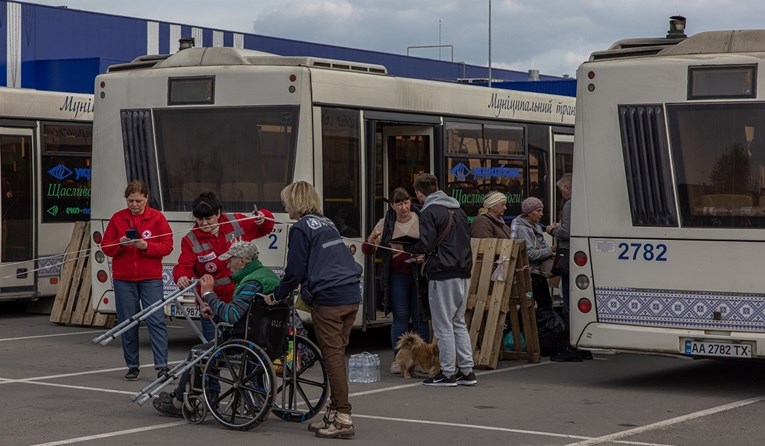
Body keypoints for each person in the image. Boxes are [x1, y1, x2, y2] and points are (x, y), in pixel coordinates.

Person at [264, 181, 362, 440]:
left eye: (286, 201)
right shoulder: (327, 223)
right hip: (351, 292)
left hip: (329, 297)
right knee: (337, 355)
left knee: (333, 359)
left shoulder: (301, 228)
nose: (285, 207)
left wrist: (277, 294)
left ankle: (343, 417)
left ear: (294, 202)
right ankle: (332, 411)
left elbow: (295, 270)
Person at [153, 239, 281, 417]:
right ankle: (196, 394)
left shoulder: (251, 282)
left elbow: (232, 315)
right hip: (271, 337)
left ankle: (180, 401)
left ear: (242, 261)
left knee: (198, 352)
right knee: (210, 346)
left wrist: (208, 294)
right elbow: (245, 312)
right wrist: (214, 311)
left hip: (246, 340)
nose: (227, 264)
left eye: (230, 260)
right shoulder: (268, 275)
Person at [395, 173, 476, 388]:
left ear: (420, 194)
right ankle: (467, 370)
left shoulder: (430, 211)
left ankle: (447, 373)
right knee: (459, 322)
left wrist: (408, 249)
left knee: (443, 326)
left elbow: (426, 244)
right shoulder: (458, 210)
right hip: (463, 271)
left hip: (442, 273)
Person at [173, 192, 275, 341]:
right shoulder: (190, 239)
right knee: (213, 346)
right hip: (212, 301)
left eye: (209, 218)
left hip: (240, 297)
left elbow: (266, 227)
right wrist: (181, 276)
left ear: (218, 213)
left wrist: (263, 216)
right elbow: (184, 264)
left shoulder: (236, 222)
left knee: (241, 343)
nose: (204, 223)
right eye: (200, 219)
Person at [101, 180, 174, 381]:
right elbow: (106, 247)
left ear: (146, 199)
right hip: (124, 278)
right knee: (128, 322)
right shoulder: (118, 218)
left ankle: (162, 366)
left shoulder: (157, 218)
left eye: (138, 201)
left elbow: (167, 246)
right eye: (131, 200)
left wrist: (146, 246)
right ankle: (132, 366)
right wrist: (120, 243)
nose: (134, 205)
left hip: (150, 277)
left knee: (156, 320)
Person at [361, 187, 429, 374]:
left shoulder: (421, 216)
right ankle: (399, 360)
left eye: (406, 202)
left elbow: (431, 242)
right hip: (397, 274)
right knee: (400, 317)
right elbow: (368, 250)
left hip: (419, 273)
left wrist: (422, 253)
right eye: (399, 203)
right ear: (392, 205)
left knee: (420, 317)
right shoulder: (385, 222)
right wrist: (371, 240)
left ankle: (422, 360)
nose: (404, 207)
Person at [546, 173, 592, 362]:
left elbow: (566, 232)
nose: (562, 194)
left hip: (569, 256)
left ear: (567, 188)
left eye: (561, 190)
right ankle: (585, 347)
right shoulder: (587, 201)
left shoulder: (570, 204)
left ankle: (572, 347)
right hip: (582, 253)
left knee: (569, 301)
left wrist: (552, 230)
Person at [510, 196, 556, 311]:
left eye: (542, 210)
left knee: (545, 304)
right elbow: (530, 254)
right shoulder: (523, 229)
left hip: (538, 272)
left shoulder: (536, 227)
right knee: (528, 306)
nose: (541, 214)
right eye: (538, 211)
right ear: (528, 213)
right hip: (530, 273)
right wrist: (551, 250)